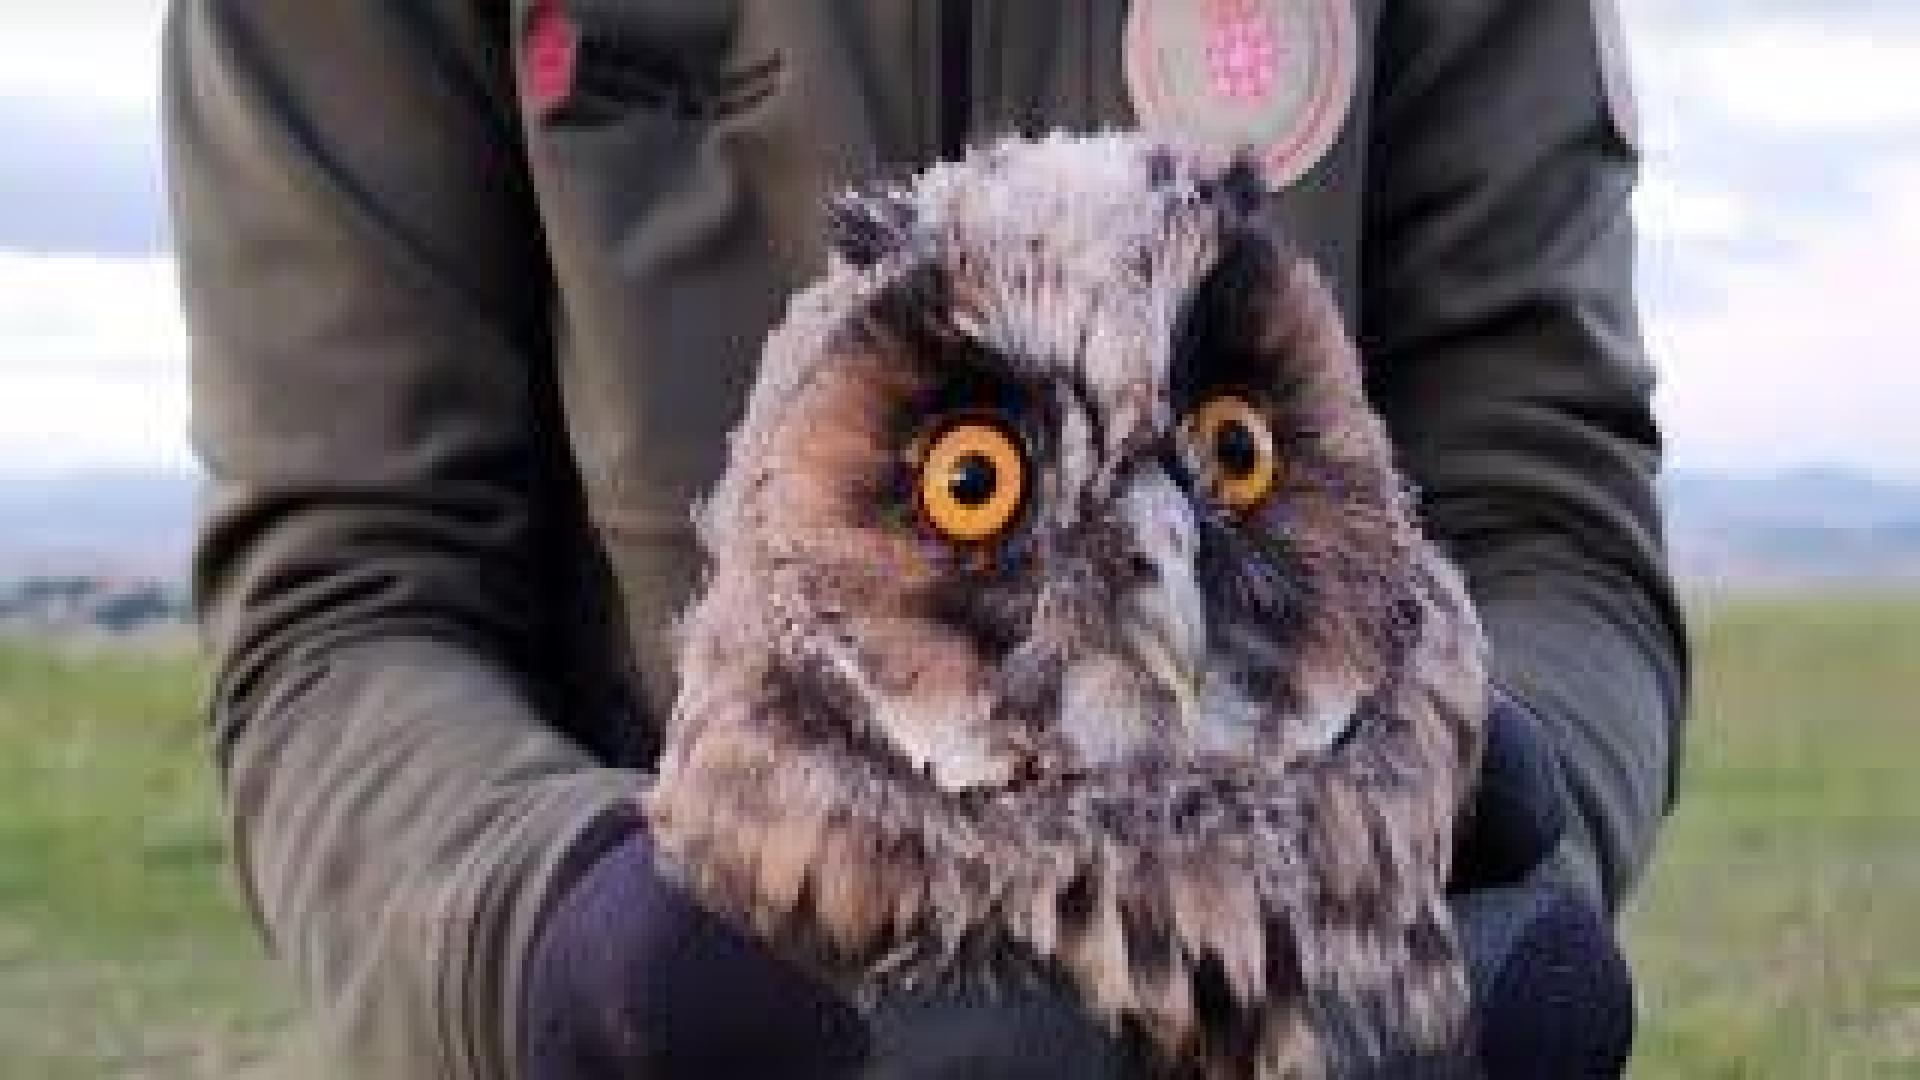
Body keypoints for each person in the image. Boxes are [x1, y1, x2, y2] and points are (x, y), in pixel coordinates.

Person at [163, 1, 1687, 1076]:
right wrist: (555, 939)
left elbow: (1541, 495)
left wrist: (1478, 821)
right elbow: (349, 589)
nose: (1161, 553)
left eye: (1232, 452)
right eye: (975, 483)